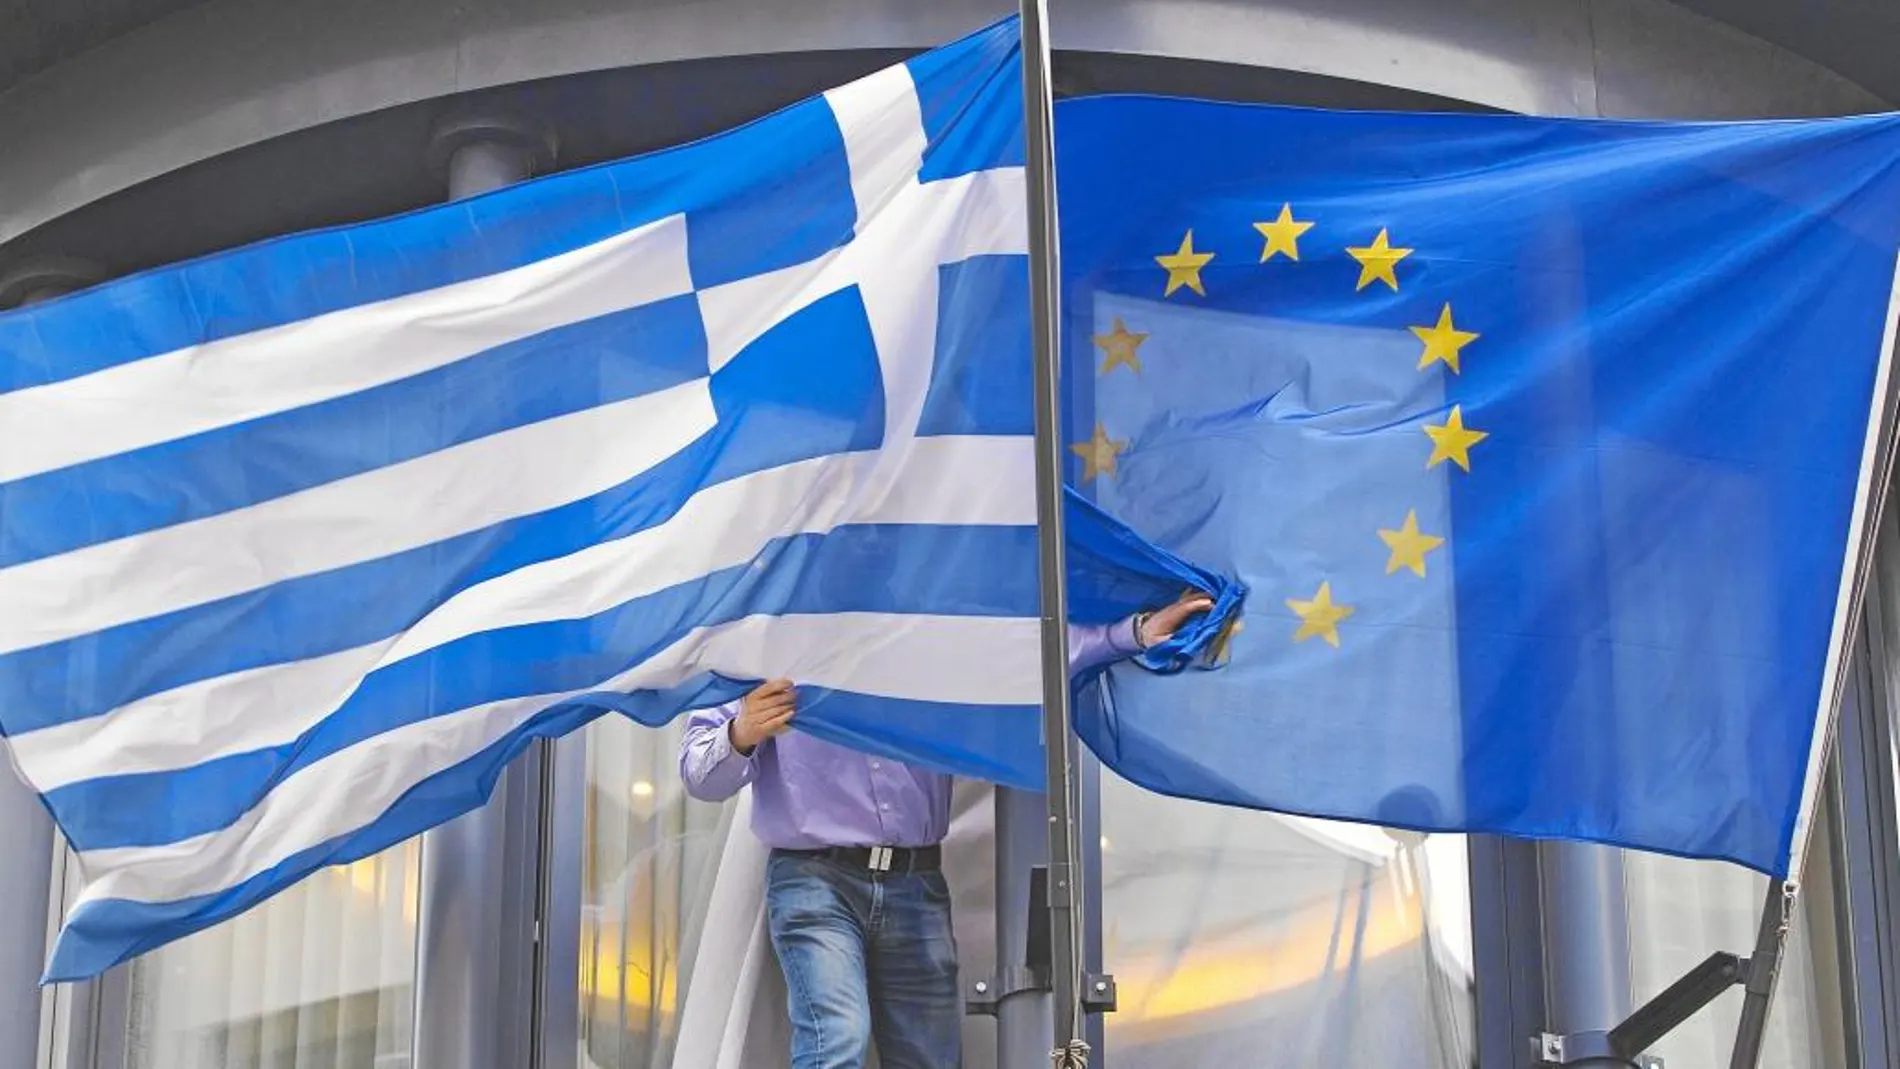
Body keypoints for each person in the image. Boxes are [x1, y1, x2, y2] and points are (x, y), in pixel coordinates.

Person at [678, 592, 1214, 1069]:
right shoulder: (761, 640)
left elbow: (1027, 657)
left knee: (929, 1055)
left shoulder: (926, 632)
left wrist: (1134, 633)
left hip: (916, 883)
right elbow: (699, 775)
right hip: (815, 879)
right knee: (835, 1042)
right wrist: (741, 731)